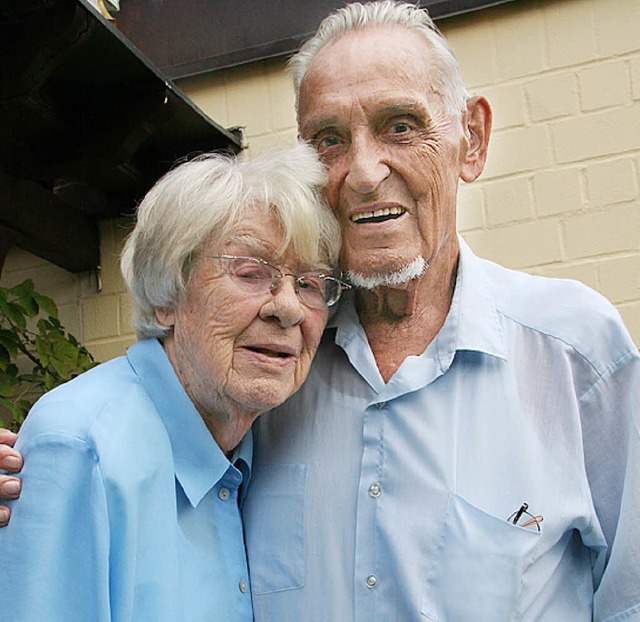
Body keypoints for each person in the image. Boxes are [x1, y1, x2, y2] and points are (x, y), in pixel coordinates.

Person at [1, 2, 639, 620]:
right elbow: (133, 424)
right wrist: (47, 470)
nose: (364, 172)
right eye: (329, 140)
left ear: (470, 139)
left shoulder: (576, 354)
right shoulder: (271, 372)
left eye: (401, 125)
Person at [0, 143, 346, 620]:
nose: (287, 307)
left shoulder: (258, 446)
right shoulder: (82, 448)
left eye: (309, 284)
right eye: (250, 272)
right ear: (167, 296)